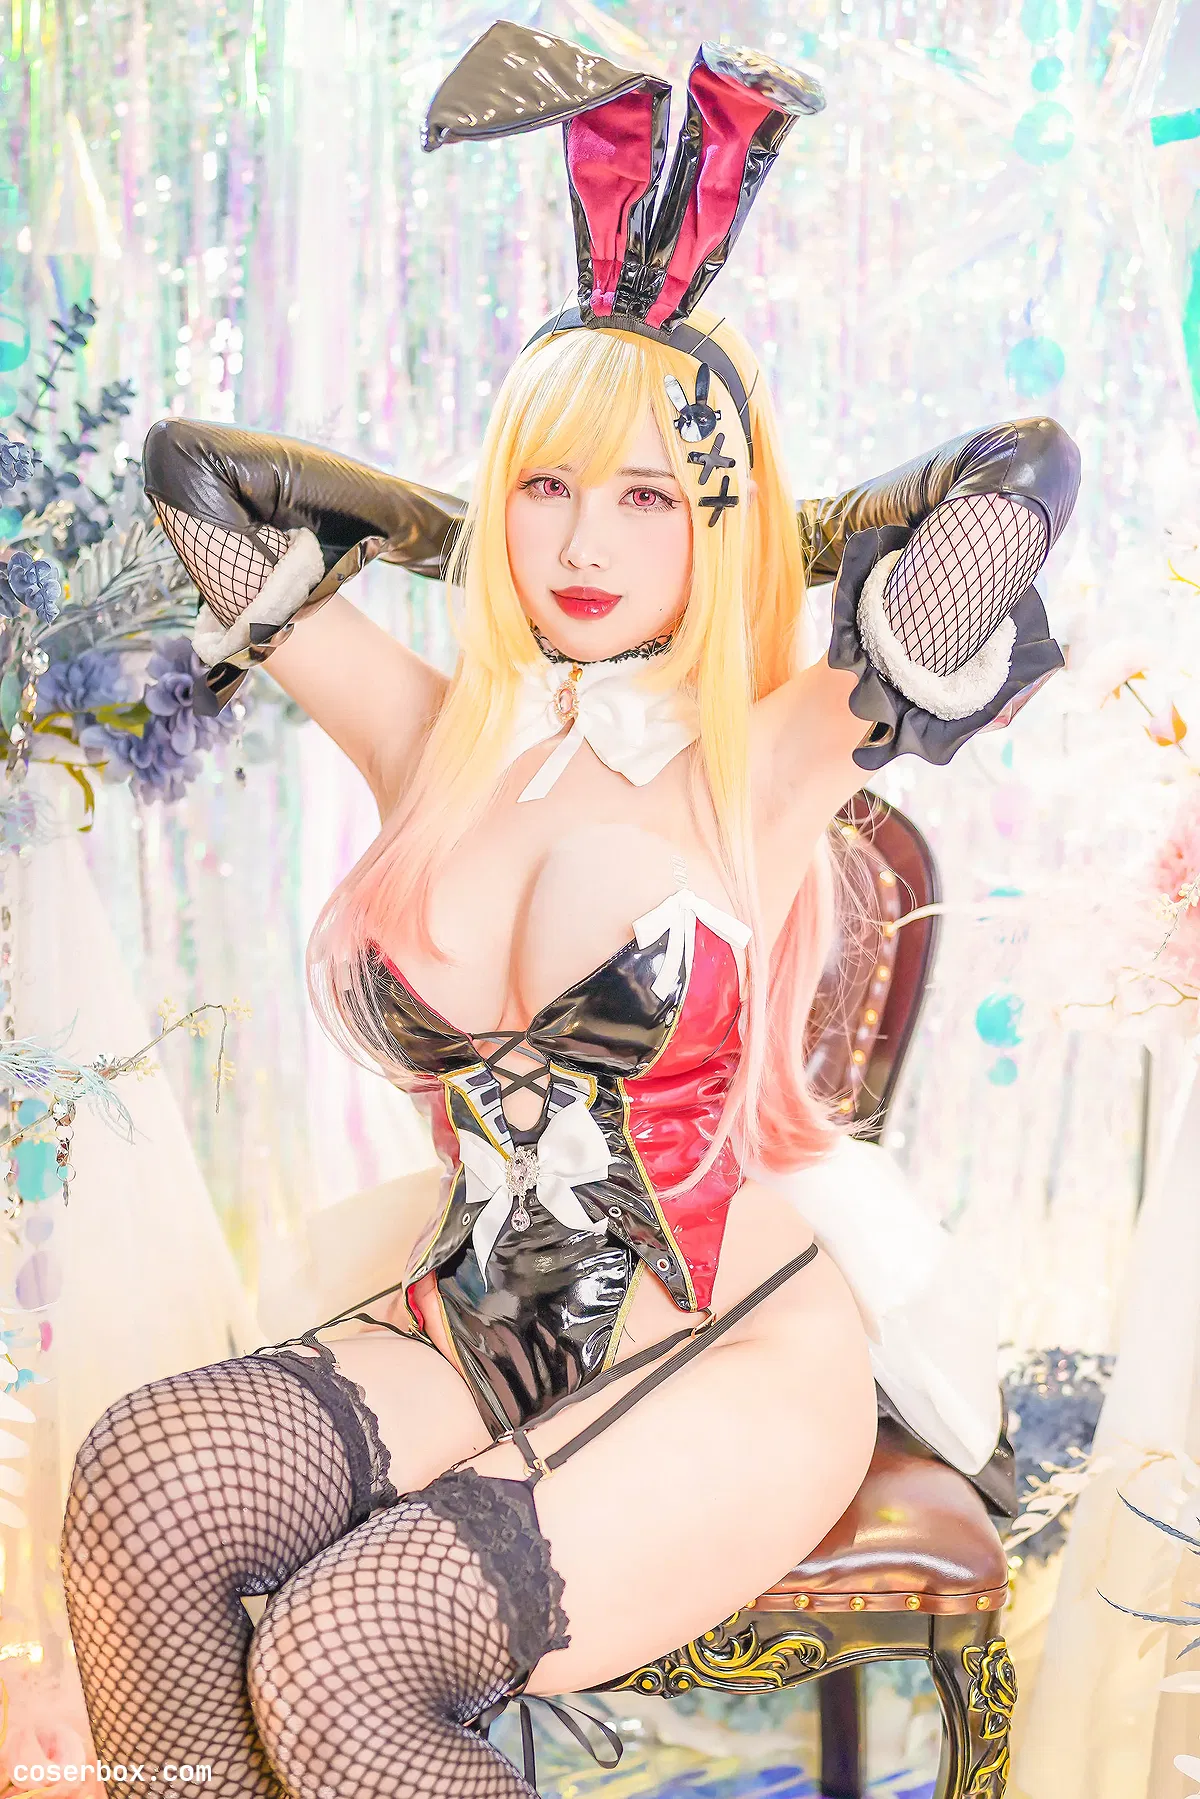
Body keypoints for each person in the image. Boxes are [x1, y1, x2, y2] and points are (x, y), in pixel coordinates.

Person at [58, 22, 1081, 1799]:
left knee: (348, 1650)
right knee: (148, 1484)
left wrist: (780, 523)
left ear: (715, 518)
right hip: (487, 1315)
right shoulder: (434, 734)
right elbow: (191, 474)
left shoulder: (770, 748)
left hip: (727, 1341)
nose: (586, 544)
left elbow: (1026, 475)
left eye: (646, 499)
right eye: (548, 488)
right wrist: (463, 527)